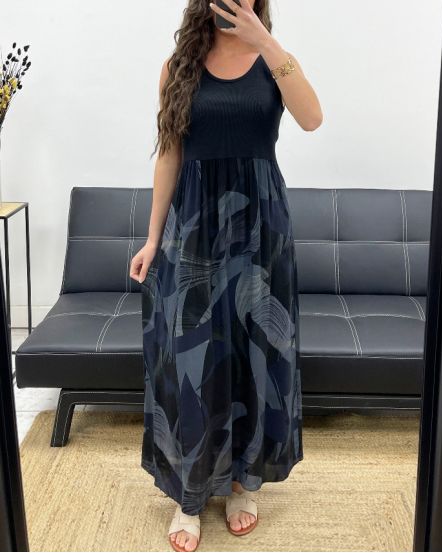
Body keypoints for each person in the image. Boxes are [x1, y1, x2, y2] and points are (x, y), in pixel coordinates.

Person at [130, 0, 323, 550]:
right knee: (191, 359)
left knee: (253, 354)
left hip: (260, 230)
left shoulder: (274, 60)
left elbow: (312, 118)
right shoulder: (179, 66)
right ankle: (189, 494)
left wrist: (266, 42)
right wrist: (152, 238)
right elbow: (169, 154)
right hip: (192, 229)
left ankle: (242, 482)